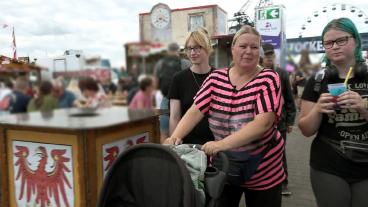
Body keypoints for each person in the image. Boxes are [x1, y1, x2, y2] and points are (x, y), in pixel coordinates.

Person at [164, 26, 285, 207]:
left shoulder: (268, 78)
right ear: (233, 49)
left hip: (263, 168)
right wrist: (175, 137)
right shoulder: (216, 78)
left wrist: (221, 144)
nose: (248, 51)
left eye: (254, 47)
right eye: (243, 46)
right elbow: (195, 110)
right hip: (225, 166)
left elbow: (263, 122)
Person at [298, 18, 368, 207]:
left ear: (355, 40)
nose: (335, 46)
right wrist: (318, 110)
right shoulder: (317, 80)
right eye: (329, 43)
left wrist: (363, 108)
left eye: (341, 40)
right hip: (328, 165)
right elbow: (305, 129)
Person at [167, 28, 215, 145]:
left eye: (197, 47)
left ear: (207, 48)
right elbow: (174, 117)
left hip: (215, 144)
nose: (192, 52)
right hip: (188, 145)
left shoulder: (219, 76)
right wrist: (174, 145)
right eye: (189, 48)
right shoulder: (179, 79)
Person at [262, 43, 296, 196]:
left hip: (280, 123)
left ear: (274, 57)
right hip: (260, 124)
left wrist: (290, 121)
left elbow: (289, 98)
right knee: (262, 153)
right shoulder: (257, 73)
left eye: (271, 56)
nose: (269, 59)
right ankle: (264, 181)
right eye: (267, 56)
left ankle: (283, 183)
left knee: (280, 153)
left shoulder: (282, 74)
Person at [154, 42, 192, 140]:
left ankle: (165, 153)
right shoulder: (186, 63)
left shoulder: (160, 63)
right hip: (183, 101)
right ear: (178, 51)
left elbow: (156, 82)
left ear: (168, 51)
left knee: (164, 133)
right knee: (181, 133)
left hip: (166, 99)